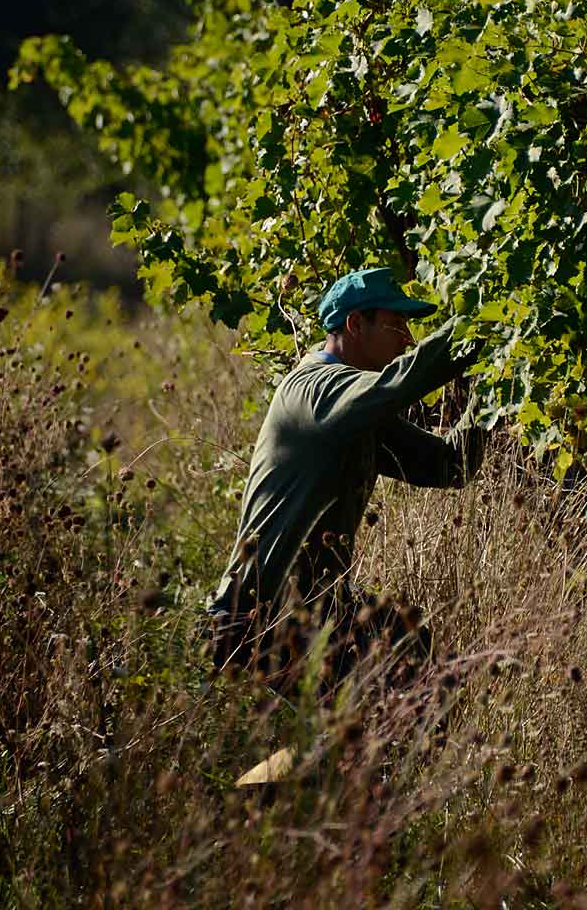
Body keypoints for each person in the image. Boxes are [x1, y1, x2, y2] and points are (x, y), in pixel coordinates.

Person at [207, 266, 484, 692]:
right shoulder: (314, 389)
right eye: (397, 324)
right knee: (382, 719)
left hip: (315, 611)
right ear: (355, 324)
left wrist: (495, 386)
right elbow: (397, 385)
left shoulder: (354, 411)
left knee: (409, 652)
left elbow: (450, 466)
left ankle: (327, 758)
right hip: (259, 616)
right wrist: (477, 328)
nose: (407, 339)